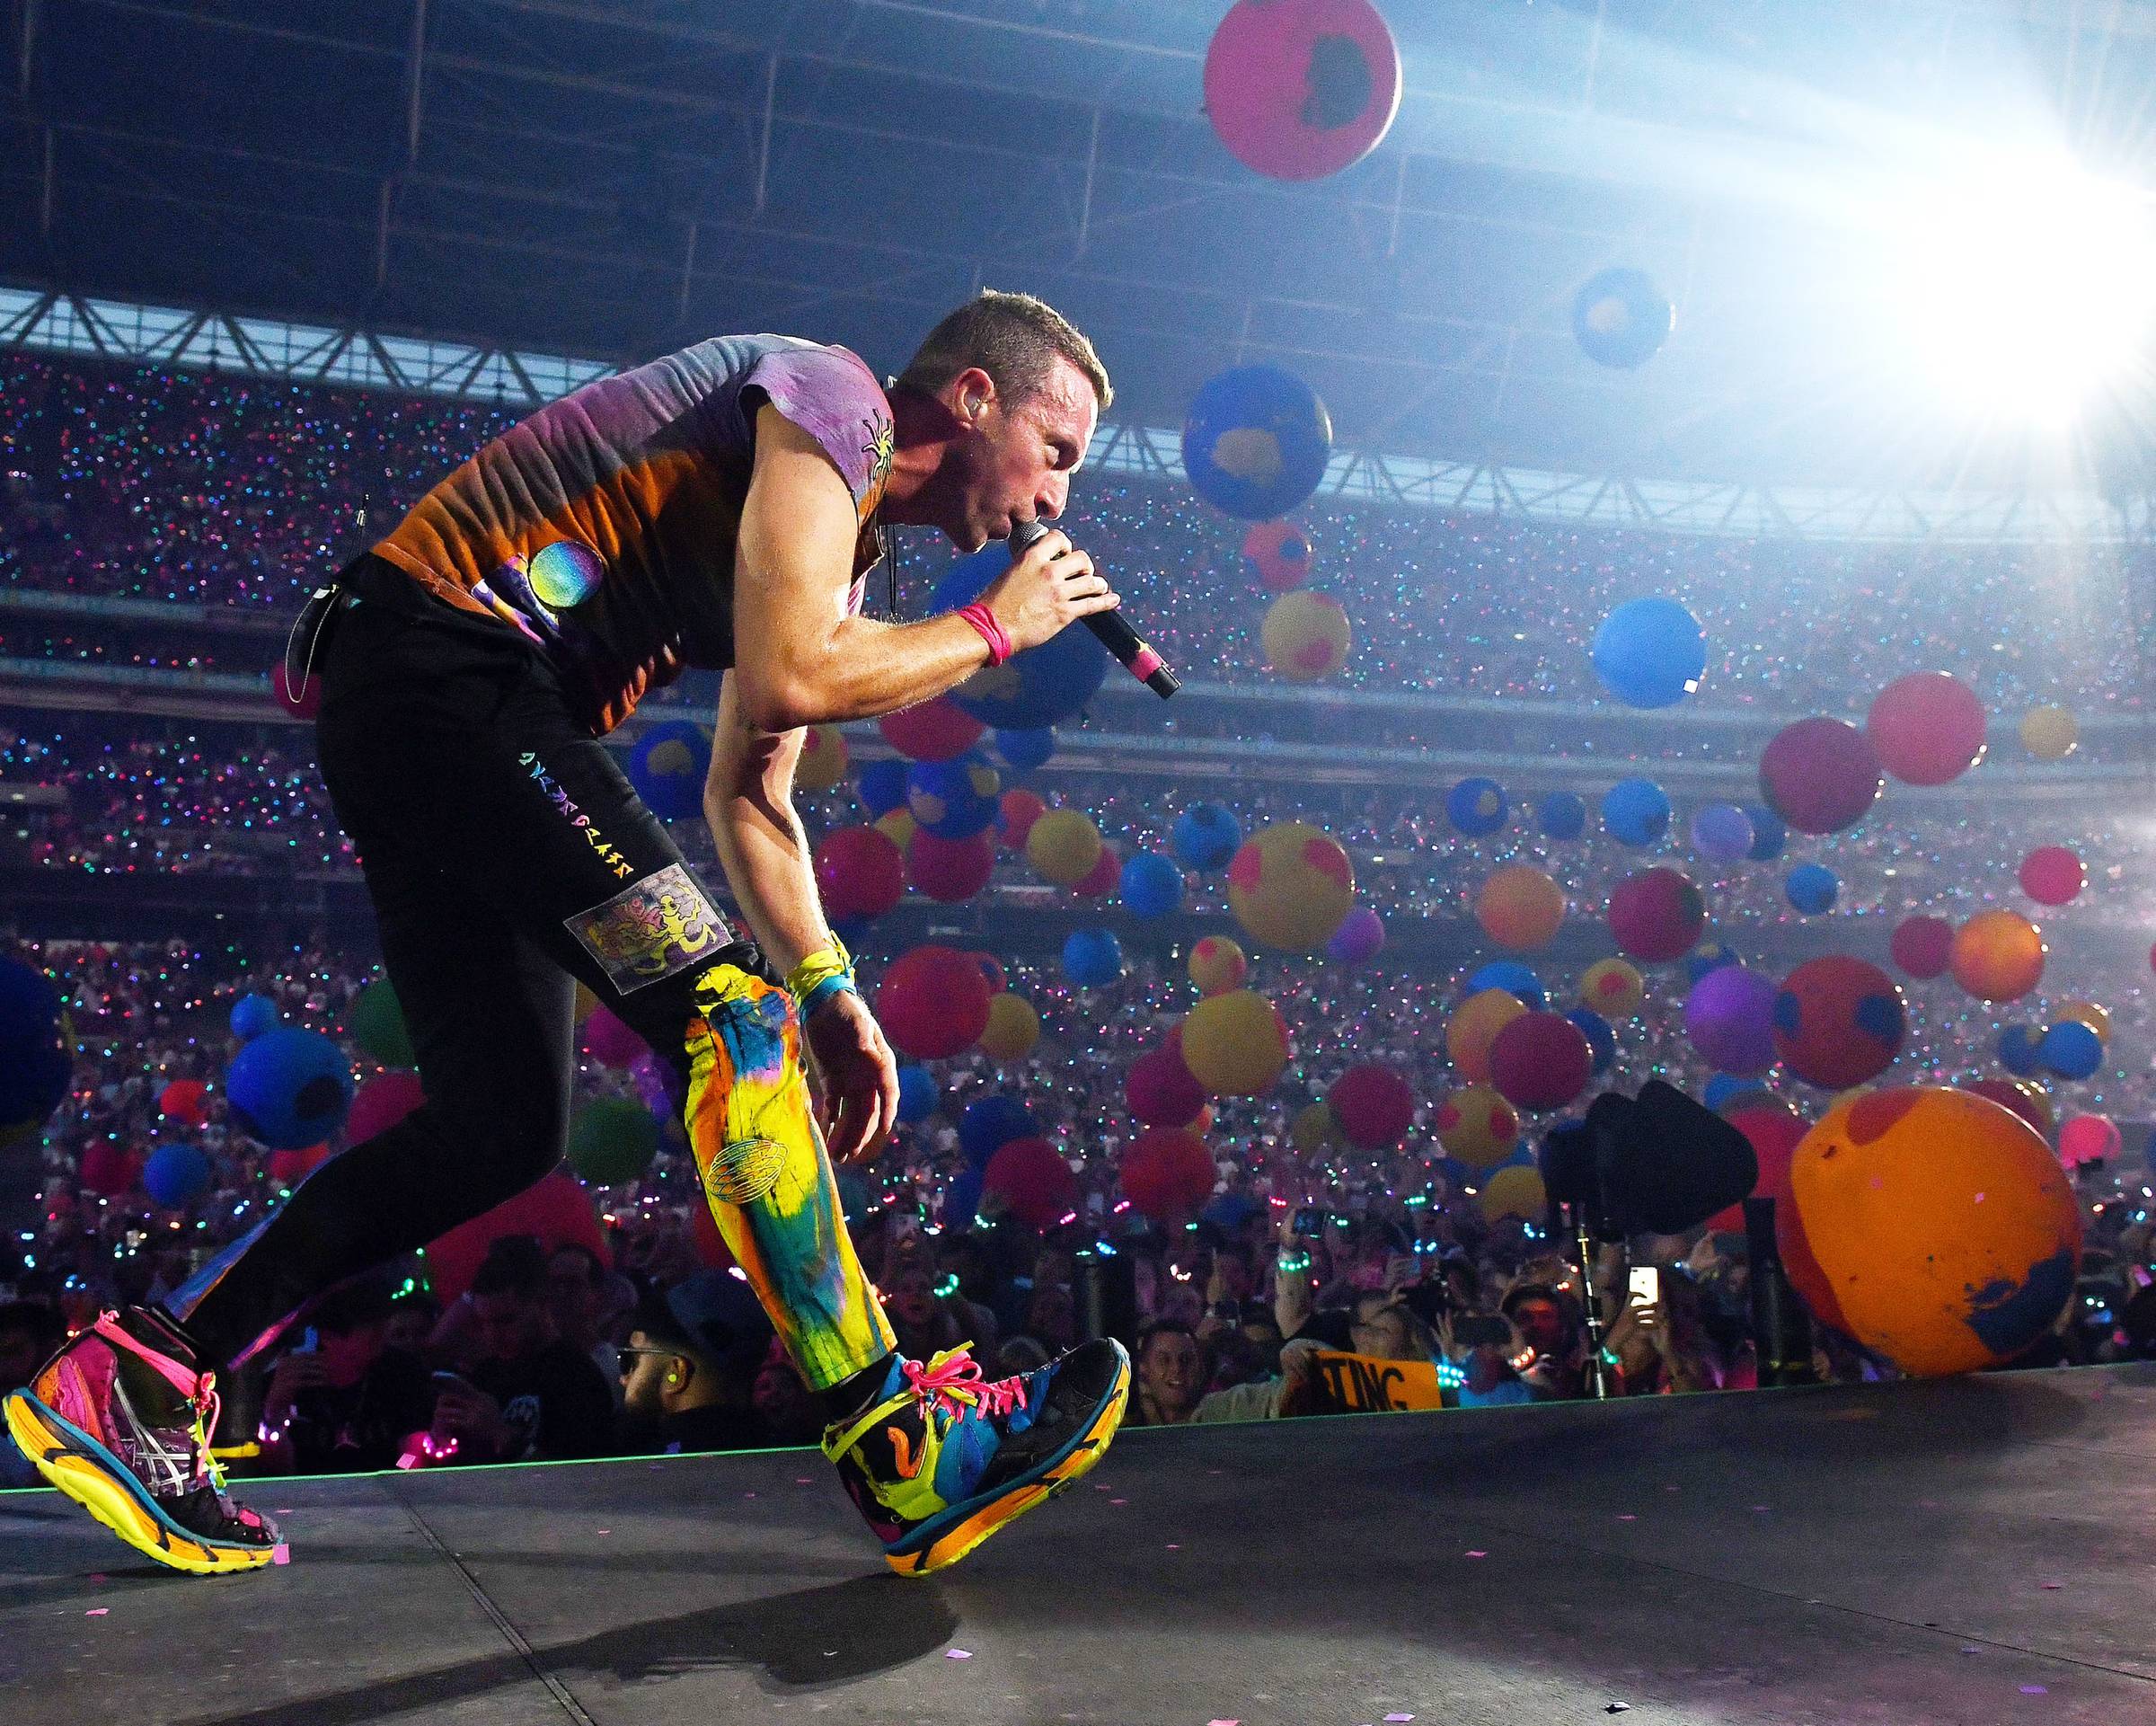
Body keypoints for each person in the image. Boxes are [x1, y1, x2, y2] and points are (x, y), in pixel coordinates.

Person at [4, 290, 1134, 1577]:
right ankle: (897, 1443)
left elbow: (751, 785)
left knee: (503, 1122)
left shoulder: (847, 539)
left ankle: (138, 1375)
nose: (1054, 505)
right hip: (456, 676)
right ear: (976, 397)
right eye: (1059, 453)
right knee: (727, 1020)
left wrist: (829, 983)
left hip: (430, 705)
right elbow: (791, 677)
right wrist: (998, 627)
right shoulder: (836, 401)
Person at [253, 1274, 437, 1475]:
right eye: (369, 1328)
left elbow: (414, 1447)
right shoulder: (289, 1382)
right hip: (307, 1500)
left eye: (381, 1322)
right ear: (329, 1337)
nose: (381, 1333)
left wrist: (397, 1475)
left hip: (389, 1497)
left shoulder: (403, 1372)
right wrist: (273, 1417)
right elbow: (278, 1472)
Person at [616, 1271, 776, 1456]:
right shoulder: (779, 1448)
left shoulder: (654, 1467)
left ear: (676, 1374)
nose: (623, 1378)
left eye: (631, 1360)